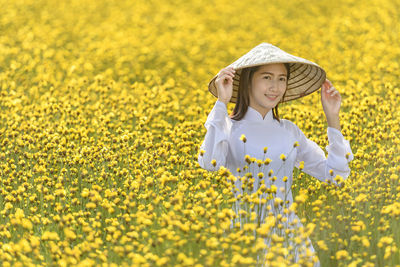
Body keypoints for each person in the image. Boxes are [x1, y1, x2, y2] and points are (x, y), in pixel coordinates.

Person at [197, 43, 354, 266]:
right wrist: (221, 103)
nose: (275, 87)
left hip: (290, 236)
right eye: (267, 77)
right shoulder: (229, 128)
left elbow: (336, 176)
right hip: (246, 234)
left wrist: (332, 118)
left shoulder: (289, 131)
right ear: (248, 81)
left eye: (282, 79)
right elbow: (209, 162)